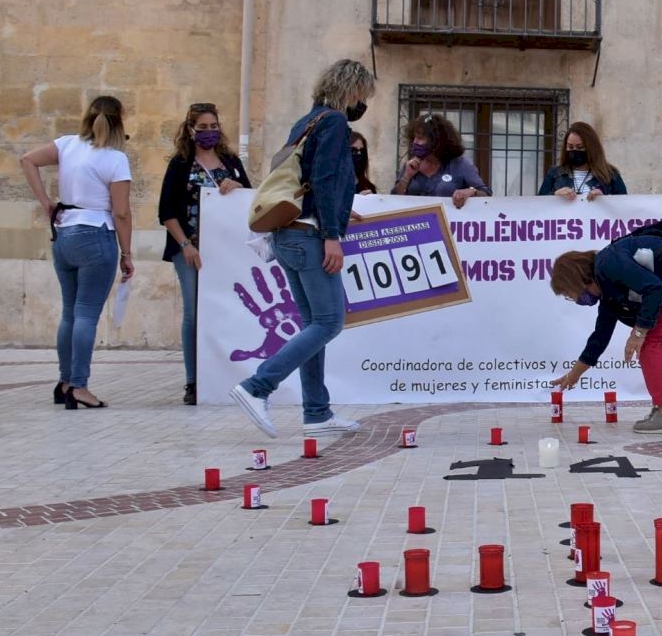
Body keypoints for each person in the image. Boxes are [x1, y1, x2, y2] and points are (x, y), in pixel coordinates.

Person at [229, 59, 375, 439]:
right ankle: (257, 386)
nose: (363, 103)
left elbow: (307, 179)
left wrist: (339, 210)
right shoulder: (335, 122)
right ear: (351, 90)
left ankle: (317, 412)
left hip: (288, 235)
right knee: (329, 322)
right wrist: (331, 233)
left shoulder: (306, 122)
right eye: (362, 95)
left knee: (314, 325)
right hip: (310, 237)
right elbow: (324, 177)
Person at [549, 222, 662, 434]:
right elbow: (599, 338)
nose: (576, 299)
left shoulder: (608, 262)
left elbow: (654, 288)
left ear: (577, 280)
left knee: (648, 340)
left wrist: (639, 332)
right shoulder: (608, 290)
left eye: (570, 294)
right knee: (649, 338)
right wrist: (574, 375)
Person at [21, 95, 134, 409]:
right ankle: (79, 386)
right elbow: (121, 212)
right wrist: (127, 253)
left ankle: (65, 381)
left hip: (65, 233)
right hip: (96, 234)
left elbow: (27, 160)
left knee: (70, 312)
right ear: (119, 122)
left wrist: (46, 202)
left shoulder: (67, 144)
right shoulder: (115, 158)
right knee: (86, 314)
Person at [158, 103, 250, 405]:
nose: (209, 132)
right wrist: (185, 244)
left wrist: (237, 186)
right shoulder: (180, 164)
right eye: (203, 127)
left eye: (214, 126)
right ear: (190, 130)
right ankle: (193, 380)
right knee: (193, 312)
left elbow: (250, 199)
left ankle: (224, 374)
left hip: (224, 249)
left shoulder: (231, 161)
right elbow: (166, 211)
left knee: (225, 309)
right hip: (191, 249)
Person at [391, 114, 490, 208]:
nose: (415, 142)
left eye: (420, 138)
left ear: (436, 141)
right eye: (414, 138)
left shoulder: (460, 164)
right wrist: (406, 176)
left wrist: (471, 191)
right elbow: (393, 200)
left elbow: (486, 193)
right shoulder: (411, 165)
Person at [538, 122, 628, 199]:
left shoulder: (611, 175)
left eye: (580, 147)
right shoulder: (554, 174)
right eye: (570, 147)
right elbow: (538, 205)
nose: (574, 150)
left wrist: (605, 198)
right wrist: (554, 195)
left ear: (591, 148)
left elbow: (623, 206)